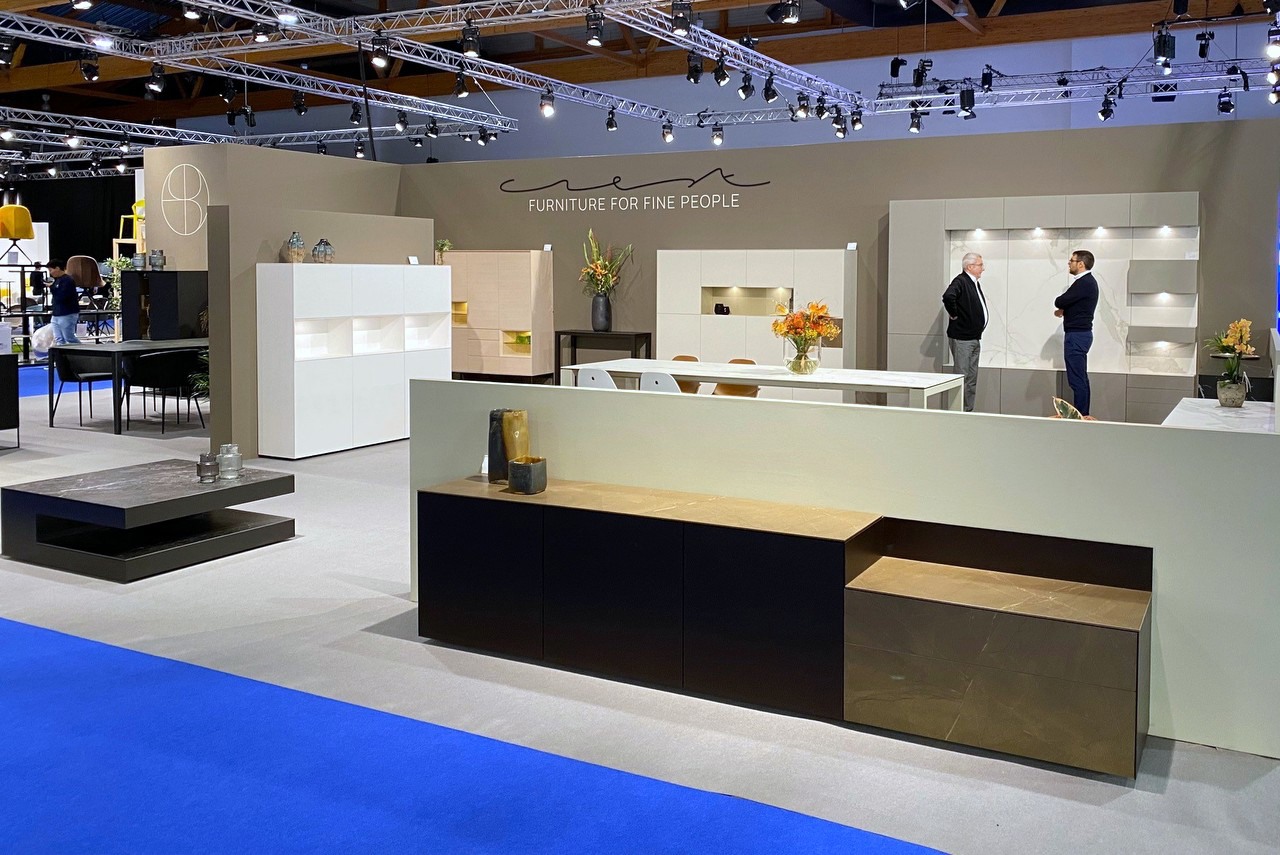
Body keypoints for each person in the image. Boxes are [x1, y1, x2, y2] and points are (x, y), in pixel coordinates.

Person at [1055, 249, 1100, 417]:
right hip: (1080, 335)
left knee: (1077, 380)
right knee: (1080, 378)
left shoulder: (1084, 283)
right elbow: (1075, 304)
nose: (1069, 263)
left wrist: (1063, 307)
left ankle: (1081, 416)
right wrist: (1066, 310)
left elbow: (1060, 300)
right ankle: (1083, 414)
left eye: (1072, 260)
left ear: (1081, 264)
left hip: (1077, 336)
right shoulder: (1087, 283)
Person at [941, 252, 988, 412]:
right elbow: (948, 296)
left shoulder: (973, 283)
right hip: (963, 339)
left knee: (971, 379)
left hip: (973, 338)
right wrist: (954, 314)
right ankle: (958, 413)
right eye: (980, 265)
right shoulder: (961, 281)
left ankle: (967, 411)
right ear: (970, 266)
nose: (983, 268)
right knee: (961, 377)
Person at [46, 259, 81, 345]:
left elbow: (62, 296)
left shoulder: (68, 280)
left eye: (51, 270)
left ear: (57, 268)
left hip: (67, 313)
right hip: (56, 313)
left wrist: (52, 288)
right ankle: (61, 353)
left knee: (69, 337)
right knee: (59, 338)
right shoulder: (57, 280)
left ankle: (82, 350)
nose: (50, 273)